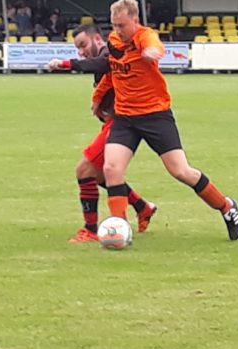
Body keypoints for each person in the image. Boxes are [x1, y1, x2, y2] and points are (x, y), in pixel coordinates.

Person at [92, 0, 238, 240]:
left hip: (155, 116)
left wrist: (152, 52)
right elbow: (112, 72)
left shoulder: (144, 36)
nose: (117, 30)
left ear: (135, 20)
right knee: (111, 168)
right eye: (114, 25)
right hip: (125, 117)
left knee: (181, 171)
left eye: (122, 25)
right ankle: (119, 229)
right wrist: (99, 97)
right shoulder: (114, 41)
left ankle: (226, 207)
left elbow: (155, 46)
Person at [48, 25, 158, 242]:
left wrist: (67, 64)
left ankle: (90, 230)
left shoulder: (109, 52)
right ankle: (142, 207)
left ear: (97, 39)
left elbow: (101, 63)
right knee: (100, 175)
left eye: (83, 45)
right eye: (77, 49)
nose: (81, 51)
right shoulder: (107, 54)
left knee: (84, 171)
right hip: (115, 121)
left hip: (122, 123)